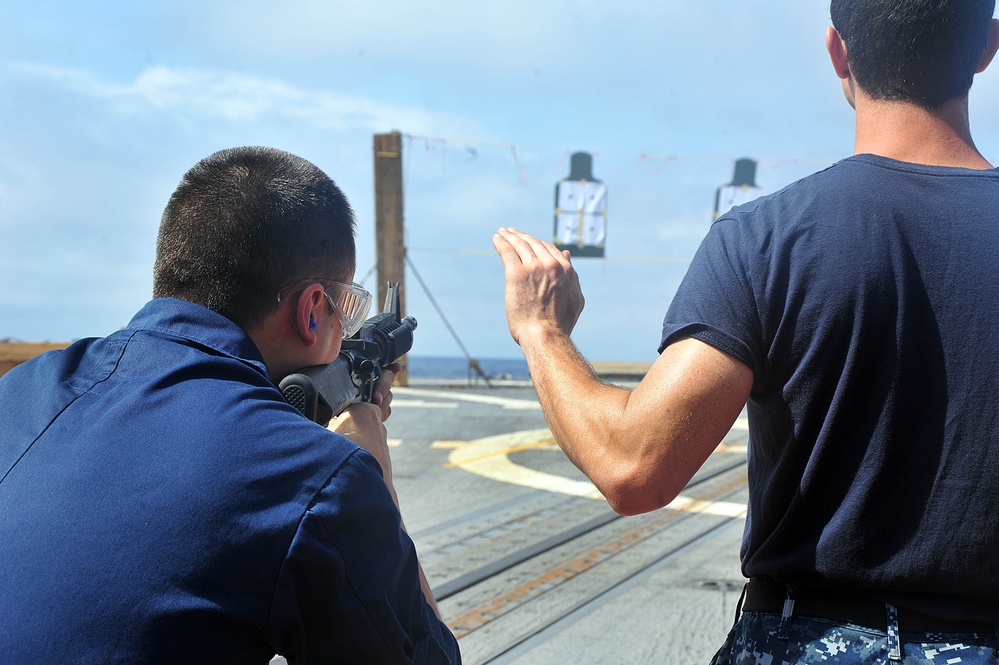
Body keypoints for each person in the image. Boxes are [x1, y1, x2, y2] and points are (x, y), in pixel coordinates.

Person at [492, 1, 999, 663]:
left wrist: (541, 330)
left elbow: (633, 468)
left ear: (837, 51)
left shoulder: (767, 238)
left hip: (809, 639)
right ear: (986, 48)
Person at [0, 147, 460, 664]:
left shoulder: (23, 388)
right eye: (345, 310)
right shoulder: (318, 475)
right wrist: (376, 477)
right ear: (312, 311)